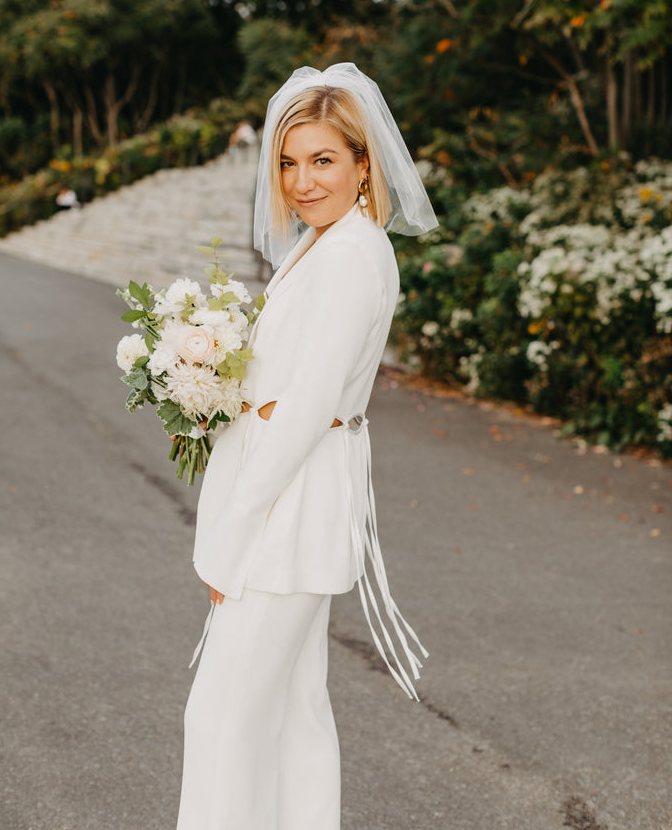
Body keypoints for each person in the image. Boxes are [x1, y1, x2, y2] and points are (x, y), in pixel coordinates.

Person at [176, 63, 438, 830]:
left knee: (222, 717)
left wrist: (232, 533)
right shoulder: (321, 246)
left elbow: (303, 412)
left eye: (322, 160)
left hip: (286, 514)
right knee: (294, 714)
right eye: (288, 163)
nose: (300, 181)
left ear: (364, 164)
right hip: (293, 501)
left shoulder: (352, 255)